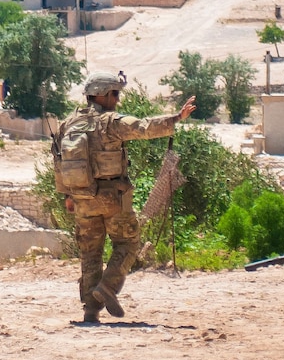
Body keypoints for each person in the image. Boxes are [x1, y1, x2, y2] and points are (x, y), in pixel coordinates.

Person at [53, 72, 196, 323]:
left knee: (90, 252)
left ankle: (90, 309)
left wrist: (67, 195)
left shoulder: (68, 124)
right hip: (113, 197)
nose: (117, 100)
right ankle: (106, 289)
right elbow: (144, 127)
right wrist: (176, 117)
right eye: (115, 94)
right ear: (104, 95)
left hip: (82, 199)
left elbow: (58, 161)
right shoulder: (110, 122)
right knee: (128, 244)